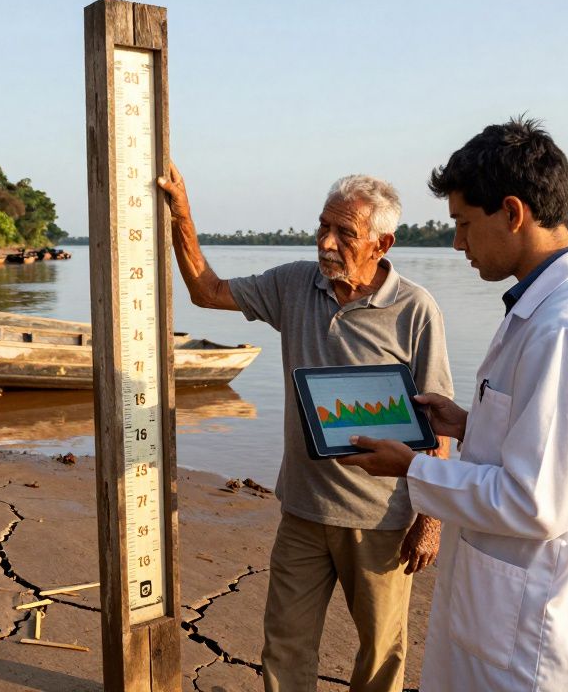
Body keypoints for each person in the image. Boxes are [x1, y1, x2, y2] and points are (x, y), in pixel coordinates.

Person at [340, 117, 568, 691]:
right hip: (505, 599)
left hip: (539, 617)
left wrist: (412, 468)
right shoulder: (539, 307)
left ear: (512, 212)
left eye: (463, 224)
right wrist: (469, 422)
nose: (457, 242)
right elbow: (543, 438)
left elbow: (538, 503)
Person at [158, 164, 454, 692]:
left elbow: (438, 419)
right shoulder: (295, 284)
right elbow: (207, 291)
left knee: (382, 652)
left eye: (345, 233)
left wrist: (430, 519)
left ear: (382, 243)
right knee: (285, 643)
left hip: (382, 519)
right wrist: (182, 215)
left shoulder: (416, 309)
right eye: (323, 227)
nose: (327, 242)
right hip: (302, 509)